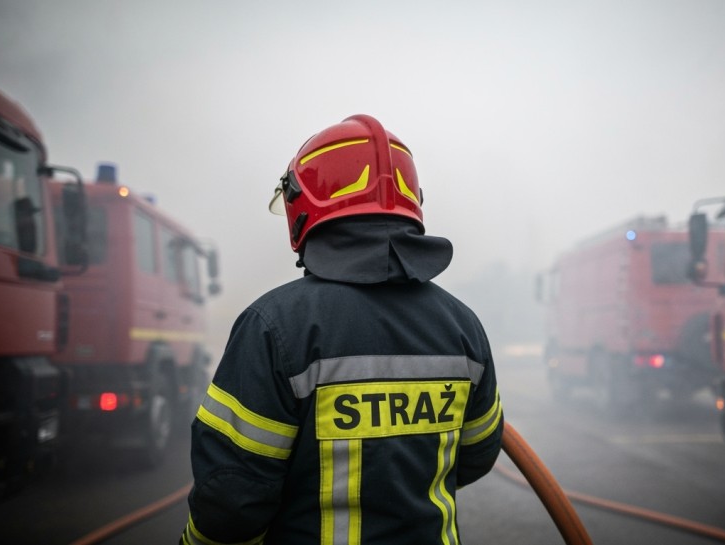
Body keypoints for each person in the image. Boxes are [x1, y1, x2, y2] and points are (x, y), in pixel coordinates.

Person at [181, 114, 504, 545]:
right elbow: (478, 453)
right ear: (412, 203)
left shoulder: (274, 326)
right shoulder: (463, 325)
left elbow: (232, 498)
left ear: (303, 204)